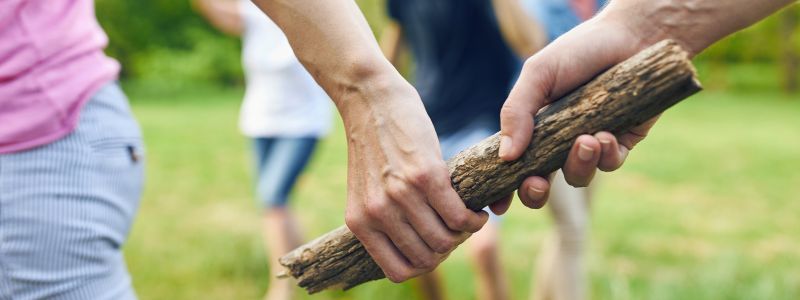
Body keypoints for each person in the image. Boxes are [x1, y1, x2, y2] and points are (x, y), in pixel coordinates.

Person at [251, 0, 798, 284]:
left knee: (501, 241)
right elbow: (393, 42)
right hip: (430, 119)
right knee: (418, 240)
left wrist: (648, 23)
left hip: (494, 118)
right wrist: (367, 93)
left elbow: (528, 40)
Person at [379, 0, 602, 299]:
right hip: (425, 125)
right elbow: (393, 49)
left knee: (485, 247)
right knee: (416, 252)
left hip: (481, 125)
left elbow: (530, 42)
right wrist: (382, 114)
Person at [192, 1, 332, 300]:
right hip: (260, 121)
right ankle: (321, 270)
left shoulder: (312, 9)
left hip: (303, 123)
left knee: (272, 199)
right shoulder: (255, 8)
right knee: (277, 204)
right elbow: (225, 17)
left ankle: (280, 285)